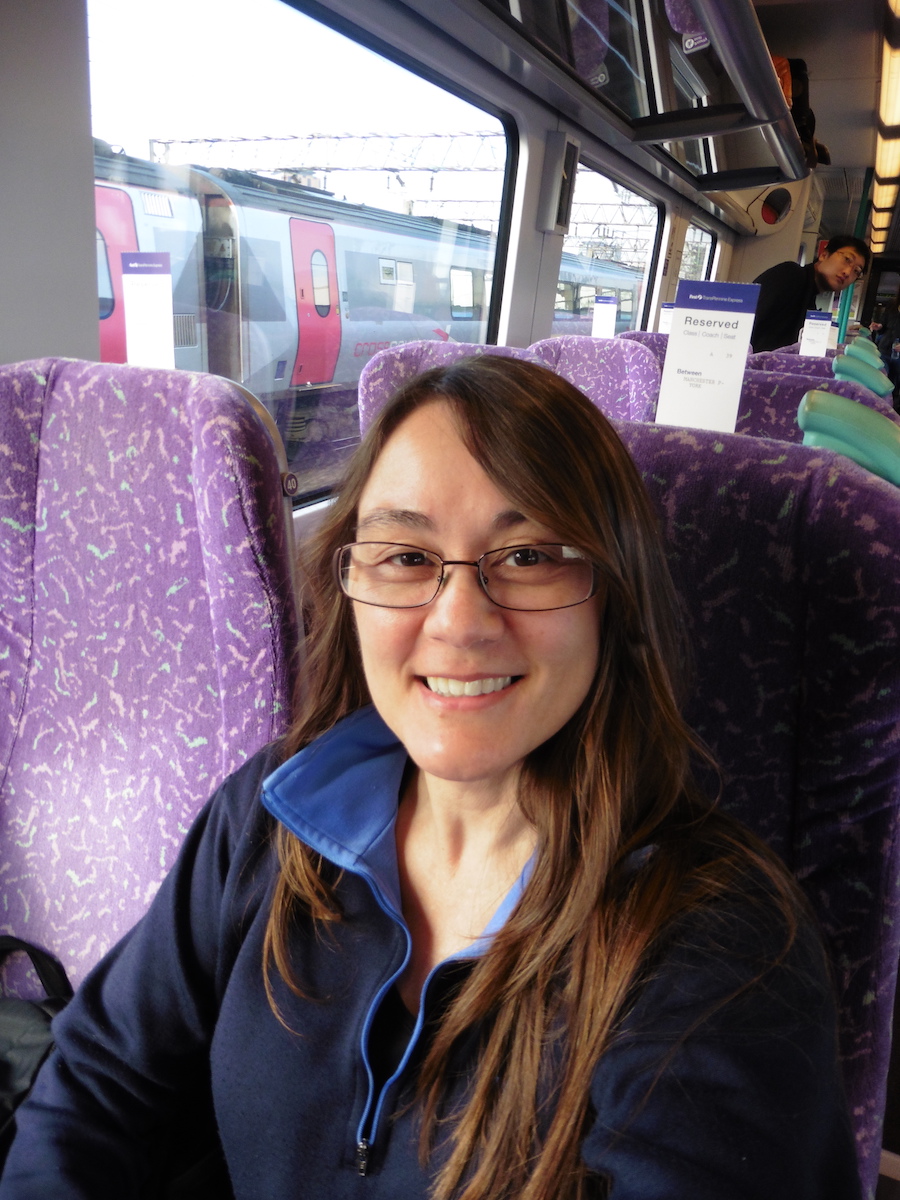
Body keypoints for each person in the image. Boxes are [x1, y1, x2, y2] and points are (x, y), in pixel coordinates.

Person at [0, 357, 860, 1200]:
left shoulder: (718, 945)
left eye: (529, 556)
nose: (458, 623)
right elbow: (98, 1081)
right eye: (406, 557)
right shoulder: (271, 815)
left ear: (615, 595)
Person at [750, 234, 870, 352]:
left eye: (856, 271)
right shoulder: (791, 275)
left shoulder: (810, 300)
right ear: (824, 255)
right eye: (847, 259)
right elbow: (749, 322)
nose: (848, 272)